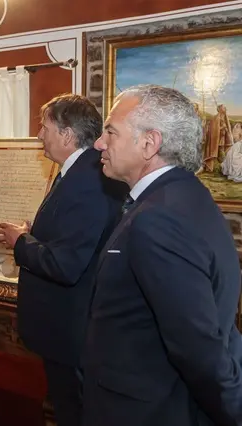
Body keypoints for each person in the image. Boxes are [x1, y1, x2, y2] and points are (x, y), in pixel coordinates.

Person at [85, 84, 242, 426]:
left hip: (145, 411)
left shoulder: (159, 217)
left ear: (149, 143)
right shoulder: (185, 195)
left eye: (110, 131)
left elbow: (198, 345)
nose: (99, 143)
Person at [0, 94, 125, 426]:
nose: (39, 135)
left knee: (74, 411)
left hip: (73, 327)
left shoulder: (88, 180)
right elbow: (73, 234)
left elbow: (66, 264)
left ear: (67, 135)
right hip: (71, 323)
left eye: (45, 127)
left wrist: (20, 242)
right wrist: (33, 231)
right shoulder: (79, 171)